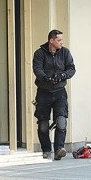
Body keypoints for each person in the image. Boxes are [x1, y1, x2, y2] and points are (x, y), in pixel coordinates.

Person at [32, 29, 76, 160]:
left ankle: (59, 149)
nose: (61, 42)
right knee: (43, 124)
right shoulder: (39, 53)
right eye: (59, 40)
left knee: (61, 121)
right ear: (51, 40)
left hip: (60, 92)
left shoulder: (65, 52)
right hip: (43, 92)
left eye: (62, 40)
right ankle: (46, 150)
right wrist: (46, 78)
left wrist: (62, 75)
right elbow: (37, 69)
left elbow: (72, 69)